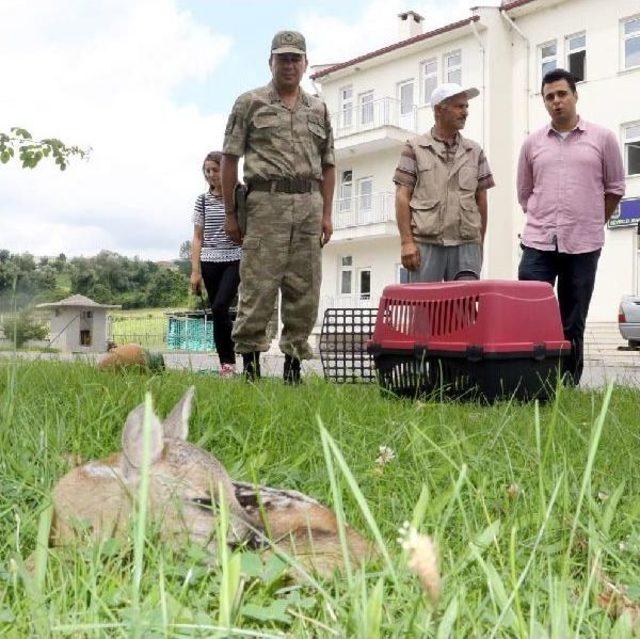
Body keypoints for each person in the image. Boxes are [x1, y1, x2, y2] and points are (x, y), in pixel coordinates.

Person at [221, 30, 335, 383]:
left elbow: (328, 164)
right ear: (270, 62)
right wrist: (229, 212)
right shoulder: (249, 102)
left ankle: (293, 367)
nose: (289, 64)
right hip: (264, 204)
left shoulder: (318, 108)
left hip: (308, 204)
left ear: (305, 63)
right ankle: (251, 369)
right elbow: (229, 159)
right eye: (282, 58)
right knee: (258, 285)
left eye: (295, 58)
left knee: (305, 287)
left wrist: (327, 214)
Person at [517, 68, 625, 386]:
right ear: (544, 101)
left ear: (575, 95)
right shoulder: (531, 144)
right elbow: (525, 194)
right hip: (538, 241)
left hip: (584, 244)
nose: (556, 101)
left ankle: (566, 384)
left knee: (573, 318)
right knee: (530, 312)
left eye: (562, 94)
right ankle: (529, 381)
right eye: (549, 96)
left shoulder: (603, 139)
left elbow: (615, 188)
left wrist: (591, 221)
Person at [393, 83, 494, 282]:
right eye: (459, 106)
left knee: (462, 311)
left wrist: (478, 244)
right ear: (439, 109)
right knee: (424, 310)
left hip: (466, 246)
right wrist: (406, 242)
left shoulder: (475, 151)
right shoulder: (414, 148)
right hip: (425, 245)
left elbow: (481, 201)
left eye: (466, 107)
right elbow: (402, 196)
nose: (465, 112)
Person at [190, 151, 242, 377]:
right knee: (217, 312)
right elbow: (197, 237)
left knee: (221, 305)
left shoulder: (238, 195)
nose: (211, 174)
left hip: (234, 258)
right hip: (209, 261)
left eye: (215, 169)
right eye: (207, 170)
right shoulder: (202, 201)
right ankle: (226, 364)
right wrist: (195, 272)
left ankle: (233, 357)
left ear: (225, 170)